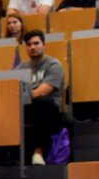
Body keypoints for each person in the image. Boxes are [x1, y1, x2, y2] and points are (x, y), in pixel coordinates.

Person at [22, 30, 66, 165]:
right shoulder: (21, 68)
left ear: (44, 45)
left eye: (36, 43)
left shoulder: (54, 65)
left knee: (42, 102)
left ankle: (38, 152)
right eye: (29, 44)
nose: (33, 47)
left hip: (50, 109)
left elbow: (42, 91)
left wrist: (23, 96)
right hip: (27, 106)